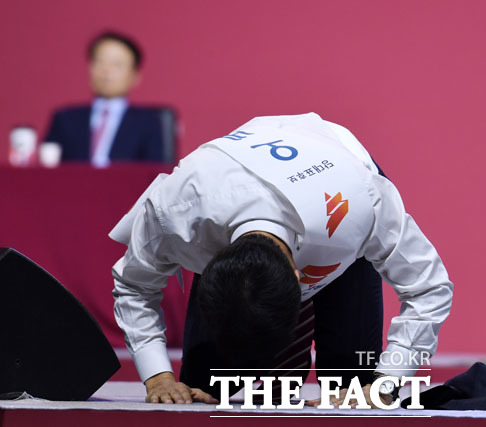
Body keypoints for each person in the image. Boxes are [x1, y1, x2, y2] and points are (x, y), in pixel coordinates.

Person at [110, 112, 454, 406]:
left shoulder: (360, 205)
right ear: (211, 265)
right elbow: (134, 287)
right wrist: (157, 376)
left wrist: (387, 382)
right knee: (204, 385)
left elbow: (430, 288)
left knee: (351, 384)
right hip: (227, 186)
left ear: (300, 279)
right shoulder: (175, 210)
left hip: (335, 188)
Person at [45, 31, 165, 167]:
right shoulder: (65, 119)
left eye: (117, 65)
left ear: (135, 75)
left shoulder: (148, 122)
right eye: (99, 62)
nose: (106, 71)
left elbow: (155, 172)